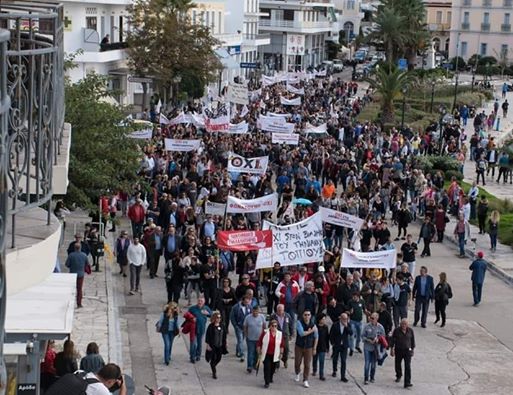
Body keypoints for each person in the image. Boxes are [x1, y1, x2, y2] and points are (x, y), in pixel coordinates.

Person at [257, 319, 285, 388]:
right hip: (266, 353)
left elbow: (282, 345)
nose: (274, 327)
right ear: (270, 326)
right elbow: (259, 342)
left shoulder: (279, 334)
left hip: (275, 354)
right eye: (273, 326)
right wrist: (258, 349)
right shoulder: (265, 332)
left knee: (273, 368)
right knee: (267, 367)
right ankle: (266, 382)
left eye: (275, 326)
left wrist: (281, 353)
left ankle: (270, 377)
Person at [294, 310, 318, 388]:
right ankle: (297, 372)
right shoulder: (299, 322)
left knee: (307, 364)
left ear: (310, 316)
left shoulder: (313, 325)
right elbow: (301, 333)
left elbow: (316, 337)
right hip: (299, 346)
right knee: (297, 362)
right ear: (303, 315)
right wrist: (311, 331)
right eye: (305, 315)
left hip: (308, 347)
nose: (307, 316)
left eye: (308, 315)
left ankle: (305, 380)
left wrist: (314, 348)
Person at [390, 319, 415, 389]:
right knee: (397, 364)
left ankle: (407, 382)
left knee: (408, 366)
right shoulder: (396, 330)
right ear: (400, 324)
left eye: (405, 324)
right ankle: (398, 375)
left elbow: (412, 341)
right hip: (398, 350)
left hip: (407, 351)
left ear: (407, 325)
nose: (404, 325)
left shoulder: (410, 331)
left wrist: (412, 350)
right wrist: (392, 349)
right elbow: (392, 340)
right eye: (402, 324)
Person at [362, 312, 385, 385]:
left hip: (375, 348)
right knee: (367, 363)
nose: (371, 319)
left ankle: (372, 377)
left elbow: (383, 337)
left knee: (373, 364)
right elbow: (362, 336)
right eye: (370, 317)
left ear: (376, 319)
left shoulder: (380, 327)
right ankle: (366, 378)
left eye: (372, 318)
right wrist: (368, 340)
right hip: (367, 347)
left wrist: (378, 339)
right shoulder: (366, 326)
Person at [329, 312, 352, 382]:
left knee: (343, 361)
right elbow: (331, 334)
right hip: (336, 344)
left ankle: (343, 376)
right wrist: (332, 343)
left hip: (344, 345)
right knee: (335, 358)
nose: (345, 320)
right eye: (344, 319)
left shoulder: (348, 325)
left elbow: (351, 333)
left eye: (346, 319)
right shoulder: (335, 325)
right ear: (340, 319)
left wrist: (346, 326)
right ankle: (334, 370)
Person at [188, 296, 212, 363]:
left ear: (204, 302)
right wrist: (191, 318)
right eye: (199, 301)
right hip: (193, 329)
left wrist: (208, 314)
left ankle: (198, 355)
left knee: (199, 343)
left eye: (201, 301)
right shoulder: (192, 308)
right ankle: (192, 357)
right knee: (193, 343)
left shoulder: (206, 308)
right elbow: (186, 316)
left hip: (201, 328)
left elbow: (212, 315)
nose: (200, 302)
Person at [243, 305, 266, 373]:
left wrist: (264, 336)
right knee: (250, 352)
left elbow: (264, 326)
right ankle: (249, 366)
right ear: (252, 311)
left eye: (257, 311)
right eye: (254, 311)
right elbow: (245, 326)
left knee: (257, 353)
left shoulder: (262, 317)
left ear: (258, 311)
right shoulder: (248, 317)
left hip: (259, 339)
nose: (255, 313)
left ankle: (255, 365)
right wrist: (246, 335)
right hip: (250, 338)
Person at [65, 243, 89, 308]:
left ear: (74, 248)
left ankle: (70, 302)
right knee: (79, 289)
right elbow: (87, 263)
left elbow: (67, 264)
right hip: (81, 274)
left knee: (71, 289)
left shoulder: (71, 255)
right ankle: (79, 303)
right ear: (80, 248)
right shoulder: (84, 255)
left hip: (72, 274)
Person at [270, 303, 294, 368]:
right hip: (276, 336)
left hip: (285, 336)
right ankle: (276, 364)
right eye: (279, 310)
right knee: (276, 350)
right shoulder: (273, 316)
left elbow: (291, 325)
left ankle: (285, 360)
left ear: (283, 310)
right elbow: (270, 326)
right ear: (277, 310)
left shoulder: (287, 316)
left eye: (281, 310)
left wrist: (291, 334)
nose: (280, 312)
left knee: (286, 350)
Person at [230, 295, 252, 362]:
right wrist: (235, 326)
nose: (246, 303)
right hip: (238, 327)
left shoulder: (249, 307)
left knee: (241, 340)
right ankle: (242, 354)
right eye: (245, 302)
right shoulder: (236, 307)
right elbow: (232, 317)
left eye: (247, 302)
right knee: (240, 340)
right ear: (242, 301)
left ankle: (238, 351)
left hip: (245, 327)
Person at [205, 312, 225, 379]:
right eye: (217, 318)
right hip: (213, 345)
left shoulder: (222, 325)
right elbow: (207, 336)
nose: (218, 319)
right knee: (213, 358)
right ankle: (214, 372)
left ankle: (213, 365)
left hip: (220, 345)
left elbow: (224, 336)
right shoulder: (211, 326)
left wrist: (225, 343)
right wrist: (208, 345)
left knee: (219, 358)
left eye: (219, 318)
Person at [312, 313, 329, 381]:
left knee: (322, 361)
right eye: (323, 319)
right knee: (315, 360)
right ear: (319, 320)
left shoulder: (326, 327)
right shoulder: (315, 327)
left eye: (324, 319)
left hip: (323, 346)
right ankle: (314, 370)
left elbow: (327, 337)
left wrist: (327, 347)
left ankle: (321, 375)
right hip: (315, 346)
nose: (324, 320)